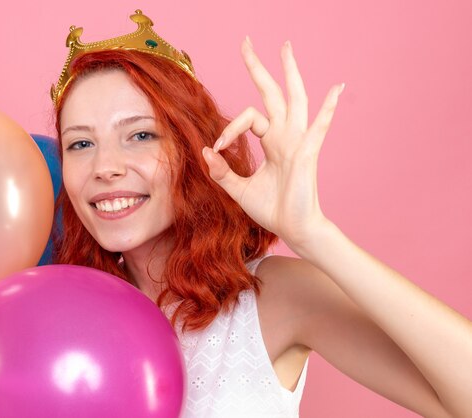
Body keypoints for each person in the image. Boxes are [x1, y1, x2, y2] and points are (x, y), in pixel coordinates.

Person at [52, 10, 472, 418]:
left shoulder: (272, 296)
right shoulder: (64, 316)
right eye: (80, 144)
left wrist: (315, 236)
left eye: (140, 135)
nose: (105, 166)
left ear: (191, 151)